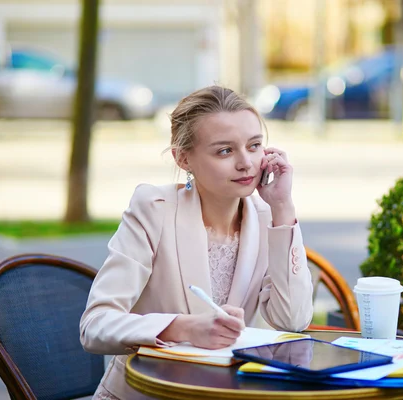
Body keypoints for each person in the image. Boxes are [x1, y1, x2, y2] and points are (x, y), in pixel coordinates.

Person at [79, 85, 314, 399]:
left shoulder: (267, 216)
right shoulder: (153, 209)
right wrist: (184, 328)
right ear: (183, 158)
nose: (246, 163)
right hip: (146, 393)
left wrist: (282, 207)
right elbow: (94, 326)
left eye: (254, 145)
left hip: (226, 392)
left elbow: (293, 319)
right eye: (225, 151)